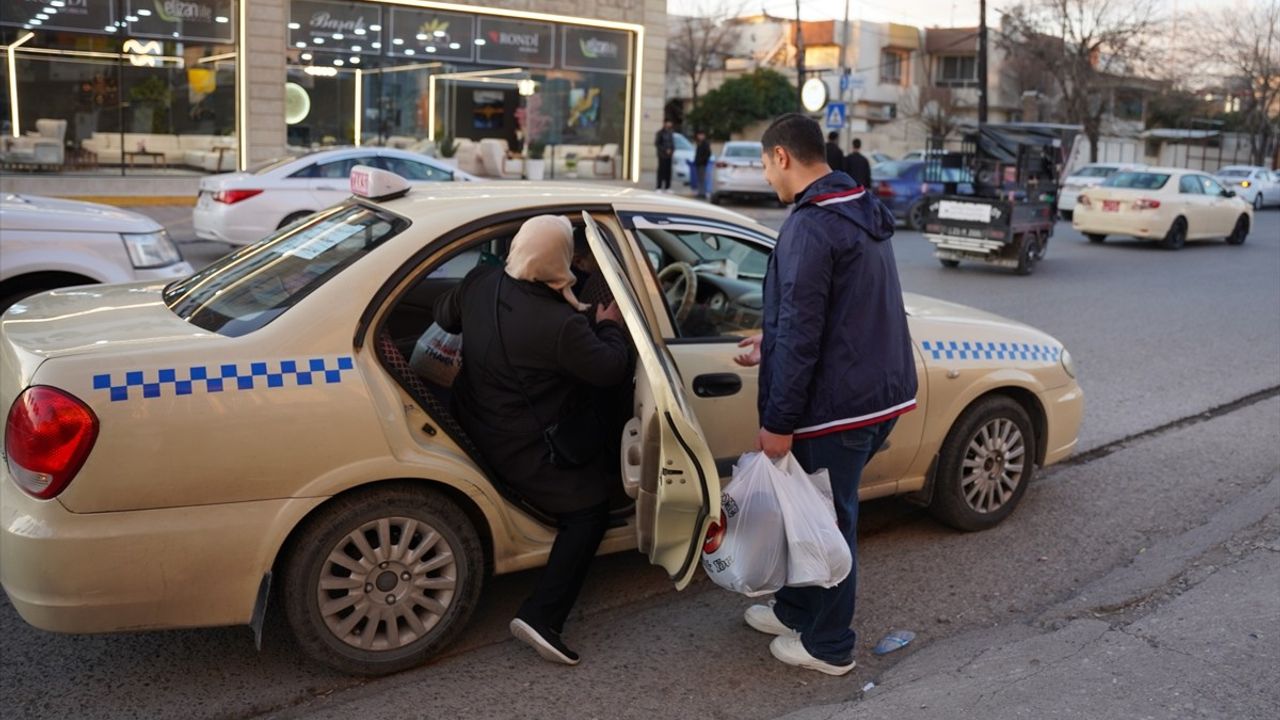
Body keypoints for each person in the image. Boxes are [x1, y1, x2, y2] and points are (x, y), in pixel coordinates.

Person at [734, 114, 918, 676]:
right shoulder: (857, 205)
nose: (766, 177)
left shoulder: (812, 226)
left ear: (783, 157)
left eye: (765, 164)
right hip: (876, 395)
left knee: (829, 522)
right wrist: (773, 334)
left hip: (836, 409)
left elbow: (804, 333)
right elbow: (834, 304)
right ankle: (796, 611)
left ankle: (830, 644)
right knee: (809, 512)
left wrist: (778, 421)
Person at [434, 215, 628, 666]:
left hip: (470, 417)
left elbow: (443, 314)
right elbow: (611, 369)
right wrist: (609, 324)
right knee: (590, 512)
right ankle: (543, 616)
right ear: (560, 260)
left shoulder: (482, 281)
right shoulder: (563, 325)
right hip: (523, 448)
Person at [655, 120, 675, 192]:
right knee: (661, 171)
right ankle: (659, 187)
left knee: (668, 171)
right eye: (668, 122)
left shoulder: (670, 133)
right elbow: (657, 144)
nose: (669, 124)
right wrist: (665, 150)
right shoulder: (660, 133)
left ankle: (667, 187)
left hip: (669, 156)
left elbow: (673, 144)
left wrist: (671, 150)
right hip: (662, 155)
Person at [693, 130, 713, 199]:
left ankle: (702, 193)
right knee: (699, 179)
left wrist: (702, 160)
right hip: (698, 163)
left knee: (702, 179)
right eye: (699, 135)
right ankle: (700, 192)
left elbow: (708, 153)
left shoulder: (705, 143)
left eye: (701, 135)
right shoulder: (699, 143)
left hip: (702, 164)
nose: (700, 136)